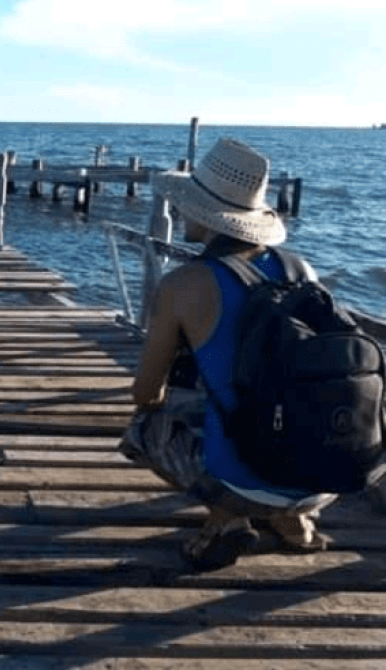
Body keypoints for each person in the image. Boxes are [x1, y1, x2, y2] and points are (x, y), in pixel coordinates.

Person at [120, 137, 336, 571]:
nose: (179, 210)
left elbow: (145, 391)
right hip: (325, 472)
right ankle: (296, 521)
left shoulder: (185, 284)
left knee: (145, 428)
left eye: (186, 204)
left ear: (205, 214)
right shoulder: (300, 270)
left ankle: (228, 516)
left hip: (248, 479)